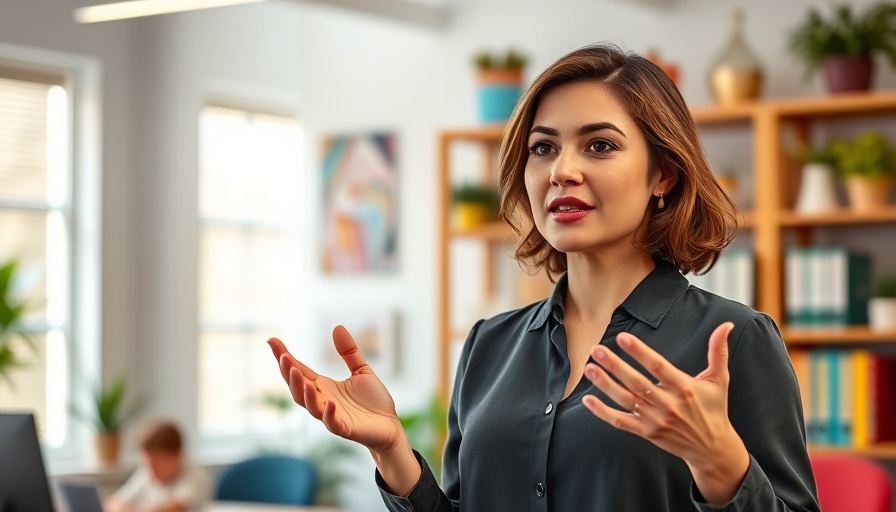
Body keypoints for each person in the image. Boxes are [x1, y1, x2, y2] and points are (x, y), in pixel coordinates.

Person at [268, 43, 821, 511]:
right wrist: (391, 452)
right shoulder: (490, 344)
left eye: (599, 145)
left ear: (663, 174)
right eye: (543, 148)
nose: (562, 170)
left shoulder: (734, 342)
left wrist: (722, 464)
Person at [104, 419, 211, 512]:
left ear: (177, 455)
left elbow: (174, 508)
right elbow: (112, 503)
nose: (151, 469)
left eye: (156, 462)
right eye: (146, 463)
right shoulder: (147, 472)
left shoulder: (195, 476)